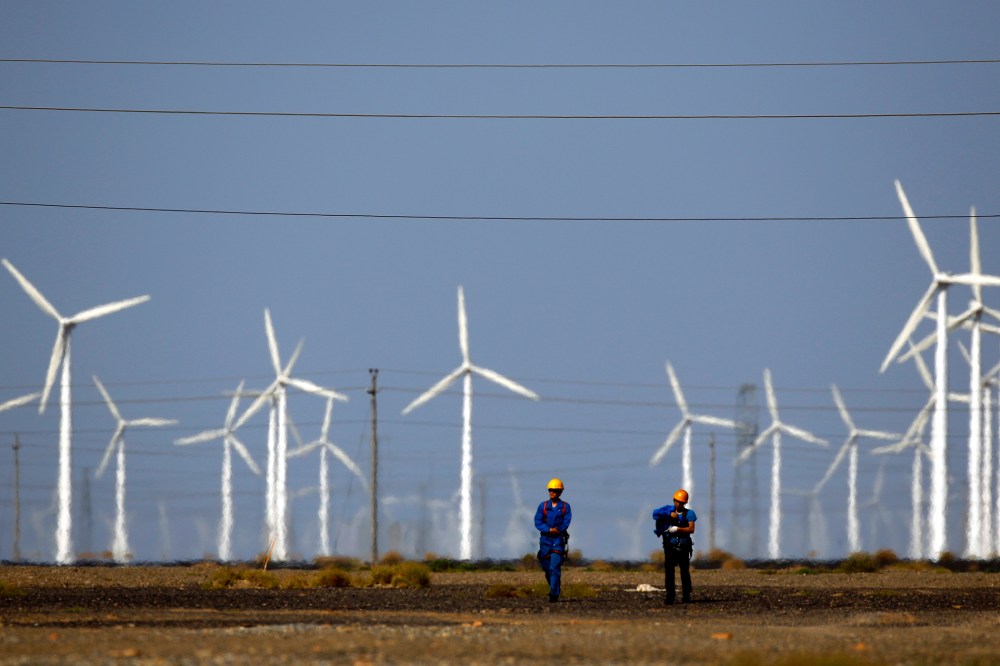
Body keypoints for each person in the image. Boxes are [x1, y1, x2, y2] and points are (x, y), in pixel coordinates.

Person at [652, 488, 696, 605]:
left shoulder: (690, 514)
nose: (678, 504)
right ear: (674, 501)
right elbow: (654, 513)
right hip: (670, 547)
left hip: (684, 547)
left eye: (681, 502)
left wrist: (678, 529)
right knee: (669, 573)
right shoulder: (667, 510)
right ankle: (670, 596)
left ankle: (686, 595)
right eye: (676, 501)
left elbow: (691, 529)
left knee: (684, 572)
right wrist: (668, 514)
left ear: (684, 503)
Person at [534, 477, 572, 602]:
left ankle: (554, 594)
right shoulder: (543, 506)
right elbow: (537, 522)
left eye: (555, 490)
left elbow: (566, 521)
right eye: (550, 490)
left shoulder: (565, 507)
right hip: (545, 540)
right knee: (547, 568)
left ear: (560, 492)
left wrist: (558, 529)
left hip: (558, 540)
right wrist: (548, 529)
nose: (552, 492)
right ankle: (555, 585)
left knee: (554, 567)